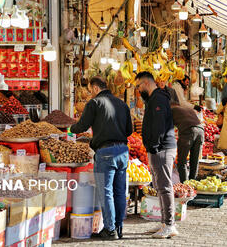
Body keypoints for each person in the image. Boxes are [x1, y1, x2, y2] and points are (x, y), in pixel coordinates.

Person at [70, 76, 132, 240]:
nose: (90, 94)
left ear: (95, 88)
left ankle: (110, 230)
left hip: (106, 152)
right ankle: (119, 228)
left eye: (90, 90)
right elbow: (129, 130)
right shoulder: (122, 104)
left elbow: (81, 126)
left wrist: (70, 128)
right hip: (123, 151)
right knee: (119, 191)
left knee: (106, 192)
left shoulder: (94, 103)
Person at [135, 72, 178, 238]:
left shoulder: (158, 98)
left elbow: (159, 125)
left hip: (162, 149)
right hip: (158, 148)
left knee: (164, 187)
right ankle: (164, 222)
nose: (138, 90)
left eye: (138, 86)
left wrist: (153, 146)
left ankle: (169, 225)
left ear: (146, 83)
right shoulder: (154, 99)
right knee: (159, 186)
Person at [171, 103, 204, 183]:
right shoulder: (184, 107)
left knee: (182, 161)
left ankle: (185, 186)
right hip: (201, 130)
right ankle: (193, 184)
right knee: (194, 161)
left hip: (188, 131)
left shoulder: (169, 110)